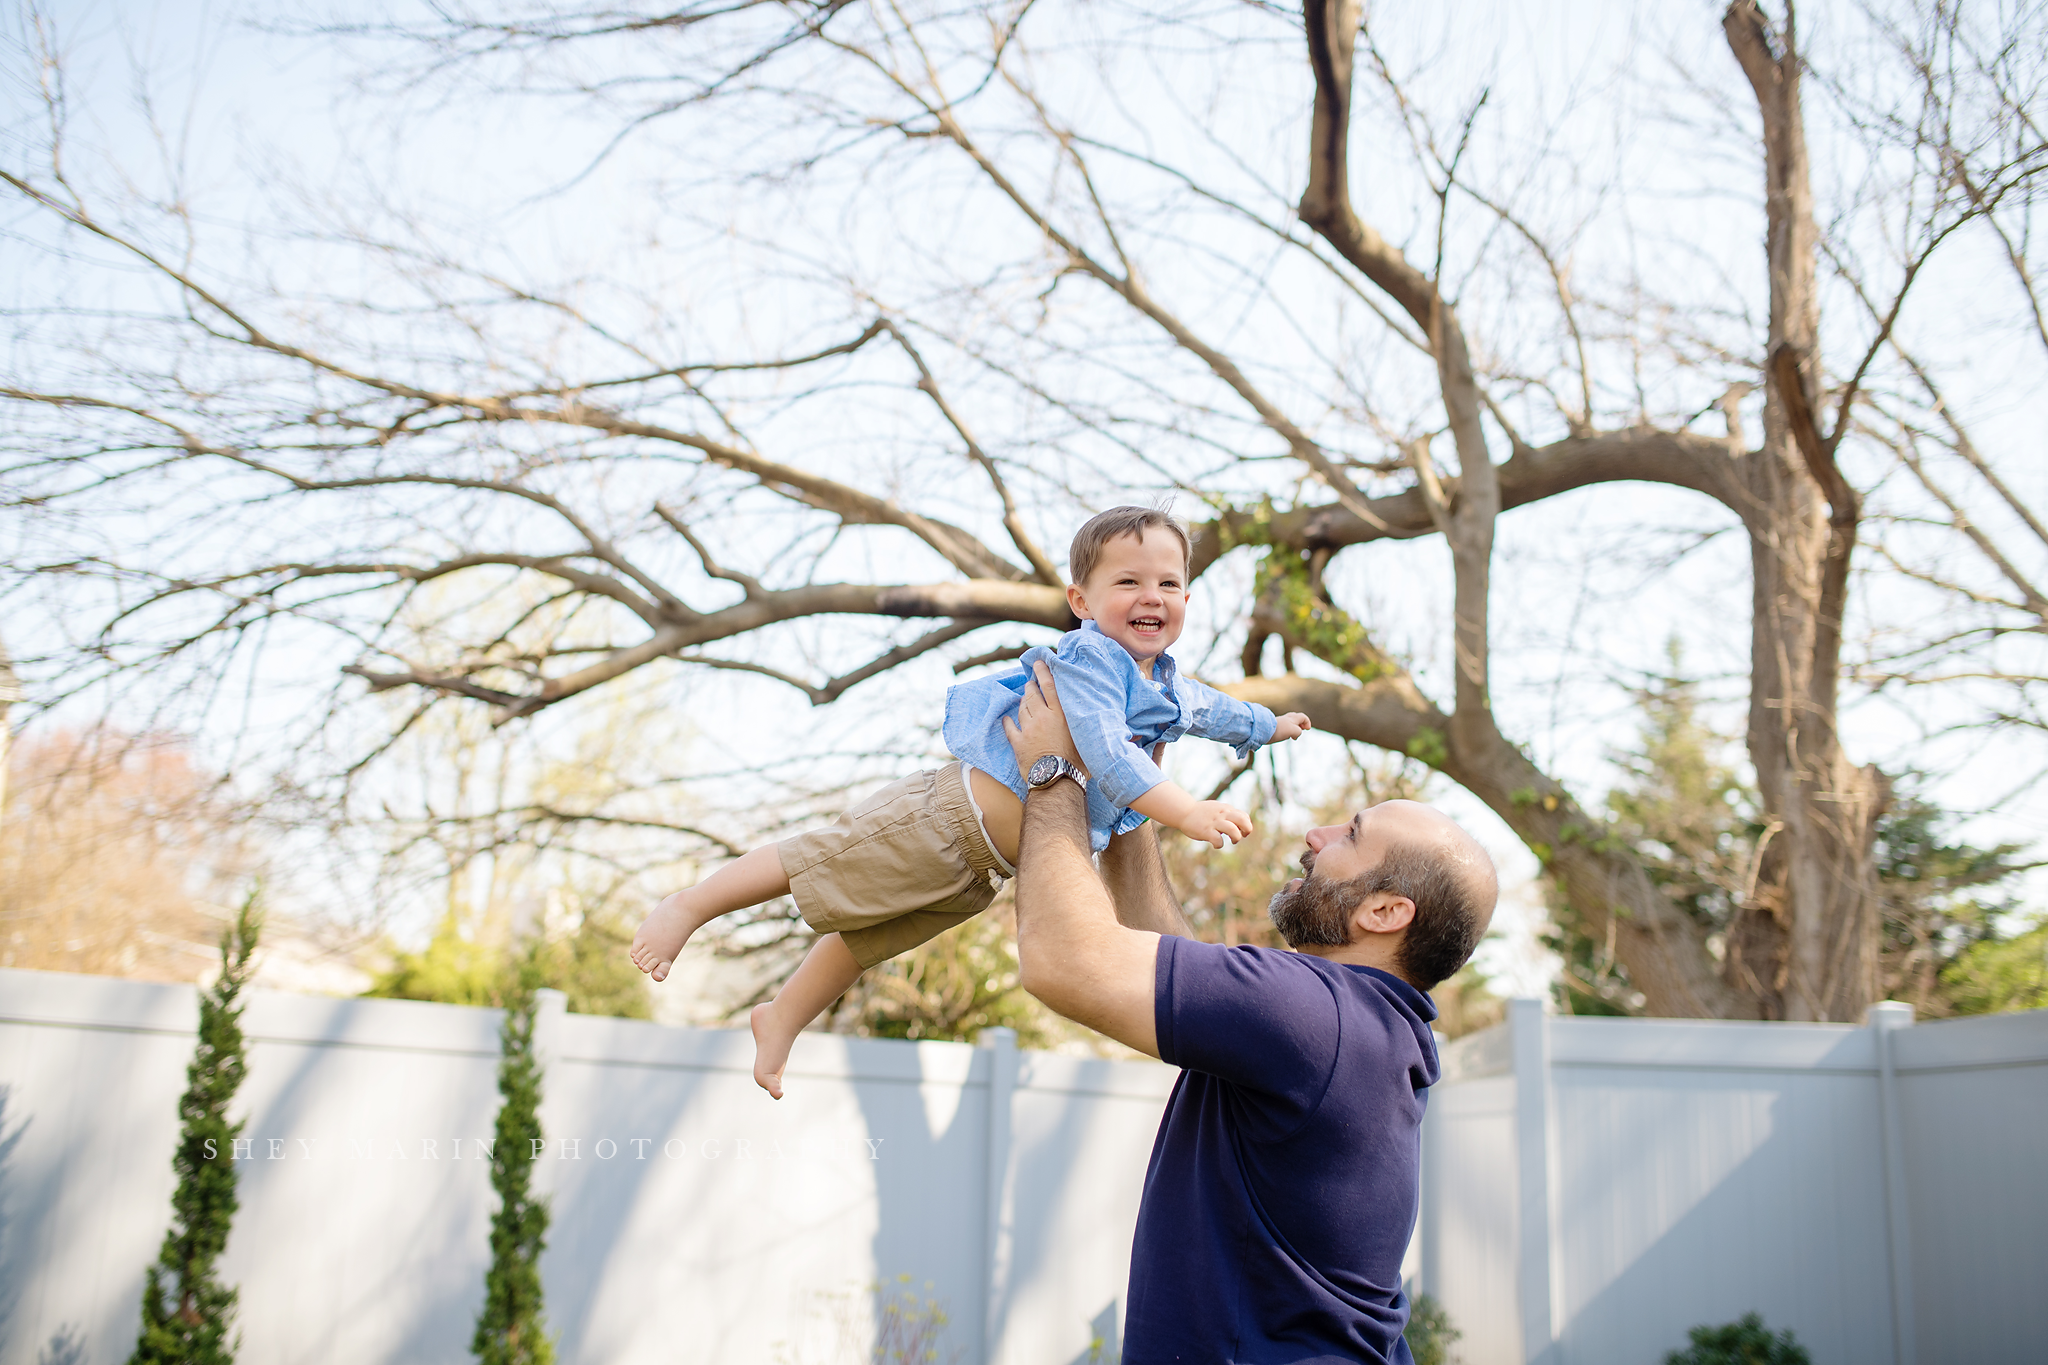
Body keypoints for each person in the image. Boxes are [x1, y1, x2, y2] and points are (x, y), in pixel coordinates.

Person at [628, 506, 1313, 1097]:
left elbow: (1211, 708)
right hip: (945, 816)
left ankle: (782, 1016)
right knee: (824, 857)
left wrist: (1266, 727)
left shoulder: (1161, 679)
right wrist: (1188, 810)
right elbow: (1106, 751)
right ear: (1080, 600)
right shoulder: (1091, 660)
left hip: (984, 866)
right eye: (1128, 581)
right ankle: (689, 905)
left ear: (1189, 599)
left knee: (870, 935)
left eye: (1169, 583)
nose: (1151, 596)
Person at [1000, 659, 1498, 1365]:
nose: (1317, 834)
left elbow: (1062, 958)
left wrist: (1055, 769)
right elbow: (1160, 957)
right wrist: (1130, 779)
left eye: (1350, 834)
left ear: (1386, 911)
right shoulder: (1363, 1029)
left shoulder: (1317, 1016)